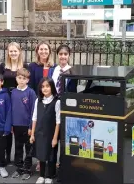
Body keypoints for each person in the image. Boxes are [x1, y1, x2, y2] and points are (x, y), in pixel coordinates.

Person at [49, 44, 78, 183]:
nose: (63, 57)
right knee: (53, 137)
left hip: (66, 107)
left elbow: (73, 91)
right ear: (57, 55)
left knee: (64, 139)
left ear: (69, 56)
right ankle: (51, 168)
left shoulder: (72, 72)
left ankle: (64, 168)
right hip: (53, 105)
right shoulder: (53, 70)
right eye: (60, 54)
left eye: (65, 54)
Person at [0, 42, 28, 164]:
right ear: (8, 53)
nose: (13, 53)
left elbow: (27, 82)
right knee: (7, 128)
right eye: (11, 51)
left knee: (18, 129)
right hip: (5, 99)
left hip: (19, 100)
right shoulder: (3, 66)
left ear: (19, 52)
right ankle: (6, 155)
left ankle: (19, 158)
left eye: (15, 51)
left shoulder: (25, 66)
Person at [30, 78, 60, 184]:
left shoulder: (57, 102)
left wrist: (55, 138)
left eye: (47, 86)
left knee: (51, 155)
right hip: (39, 132)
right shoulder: (38, 100)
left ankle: (49, 175)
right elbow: (34, 118)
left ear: (52, 87)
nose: (45, 88)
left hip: (51, 133)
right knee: (41, 154)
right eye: (43, 86)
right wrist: (32, 134)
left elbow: (58, 122)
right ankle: (42, 175)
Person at [10, 68, 37, 180]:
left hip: (27, 126)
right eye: (19, 78)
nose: (21, 80)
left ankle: (27, 169)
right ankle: (19, 168)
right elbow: (11, 110)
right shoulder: (13, 92)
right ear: (16, 78)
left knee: (28, 148)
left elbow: (33, 111)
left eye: (24, 78)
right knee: (18, 147)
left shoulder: (30, 92)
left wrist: (31, 127)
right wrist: (11, 125)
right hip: (16, 125)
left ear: (27, 80)